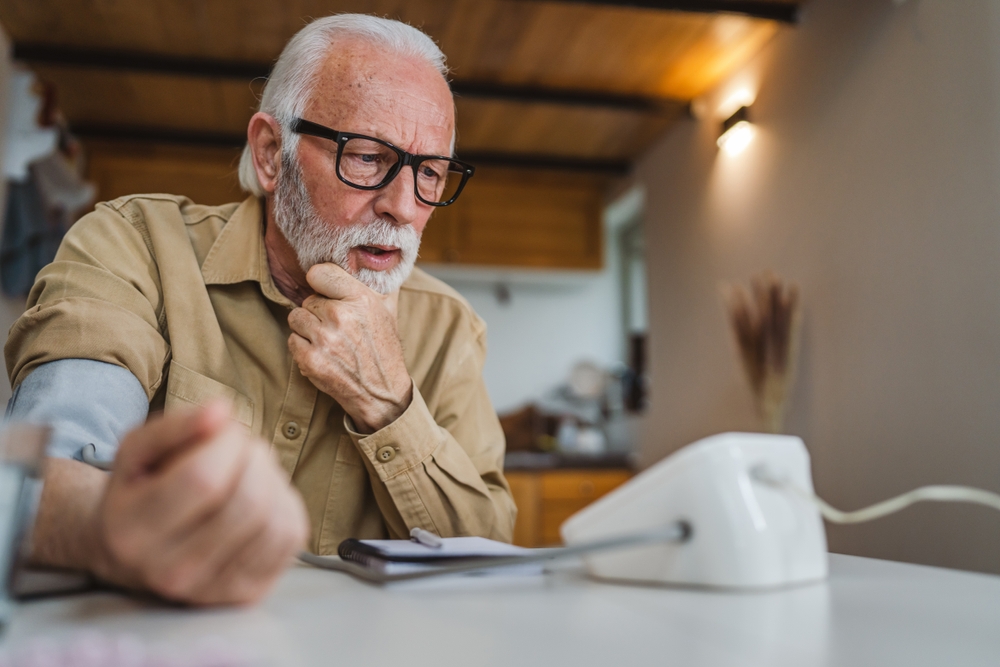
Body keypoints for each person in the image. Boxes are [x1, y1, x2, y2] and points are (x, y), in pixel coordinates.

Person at [4, 14, 516, 606]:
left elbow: (489, 551)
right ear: (273, 154)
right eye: (369, 157)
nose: (404, 206)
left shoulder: (448, 326)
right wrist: (115, 523)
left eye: (429, 171)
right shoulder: (135, 245)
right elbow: (44, 473)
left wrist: (389, 405)